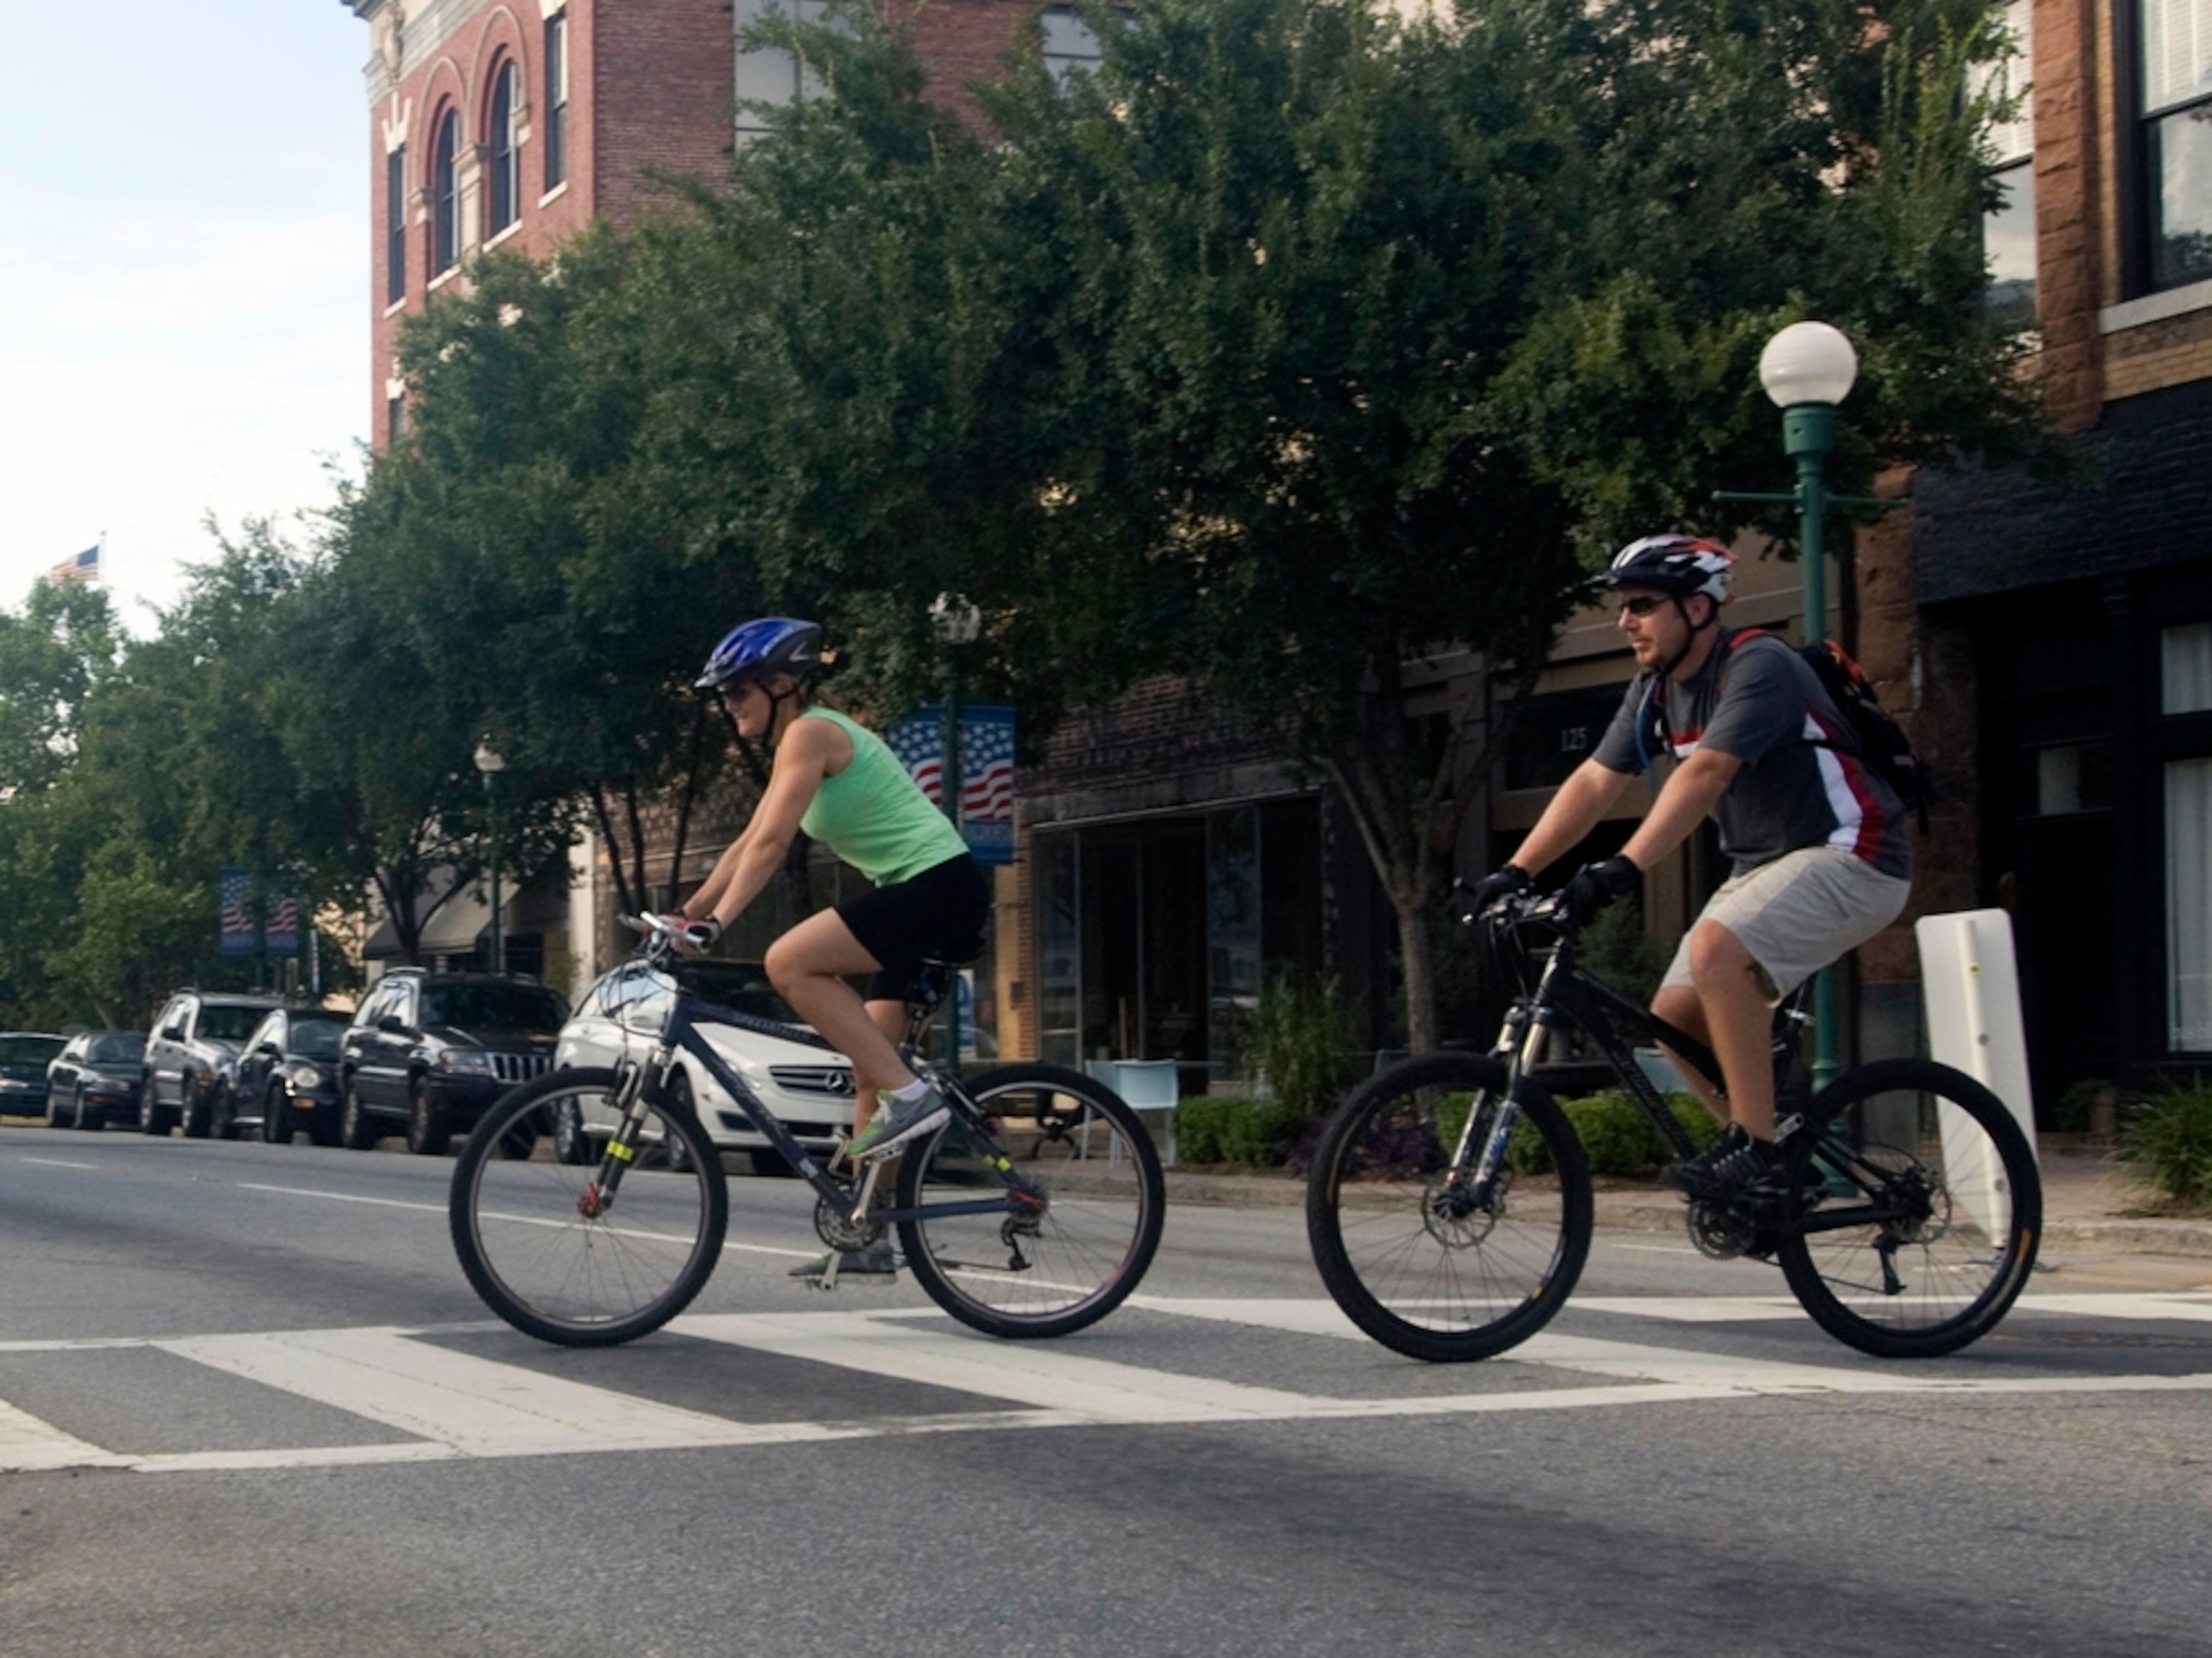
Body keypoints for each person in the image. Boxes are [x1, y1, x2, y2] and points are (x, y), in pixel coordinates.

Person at [1464, 535, 1912, 1202]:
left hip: (1856, 852)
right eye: (1623, 606)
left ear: (1699, 609)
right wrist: (1516, 871)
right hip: (1766, 865)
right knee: (1671, 1016)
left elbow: (1706, 774)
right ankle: (1769, 1161)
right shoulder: (1655, 691)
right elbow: (1594, 782)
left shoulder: (1758, 665)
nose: (1625, 621)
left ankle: (1753, 1152)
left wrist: (1622, 866)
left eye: (1643, 604)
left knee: (1714, 949)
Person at [665, 617, 990, 1278]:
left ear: (784, 684)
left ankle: (914, 1098)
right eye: (724, 696)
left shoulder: (812, 732)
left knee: (789, 961)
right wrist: (685, 915)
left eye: (739, 692)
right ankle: (871, 1237)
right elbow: (742, 845)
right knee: (872, 1069)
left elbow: (771, 846)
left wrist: (721, 925)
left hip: (937, 886)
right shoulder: (794, 746)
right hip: (922, 890)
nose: (730, 705)